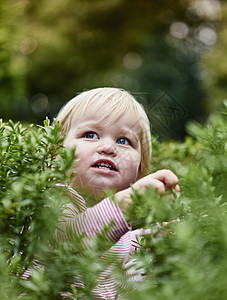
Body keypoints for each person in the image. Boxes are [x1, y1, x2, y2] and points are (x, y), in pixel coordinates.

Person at [54, 87, 180, 298]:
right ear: (55, 153)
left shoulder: (128, 223)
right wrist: (121, 206)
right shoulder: (52, 197)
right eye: (90, 134)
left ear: (140, 171)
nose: (108, 147)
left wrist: (164, 235)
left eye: (124, 141)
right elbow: (64, 239)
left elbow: (123, 251)